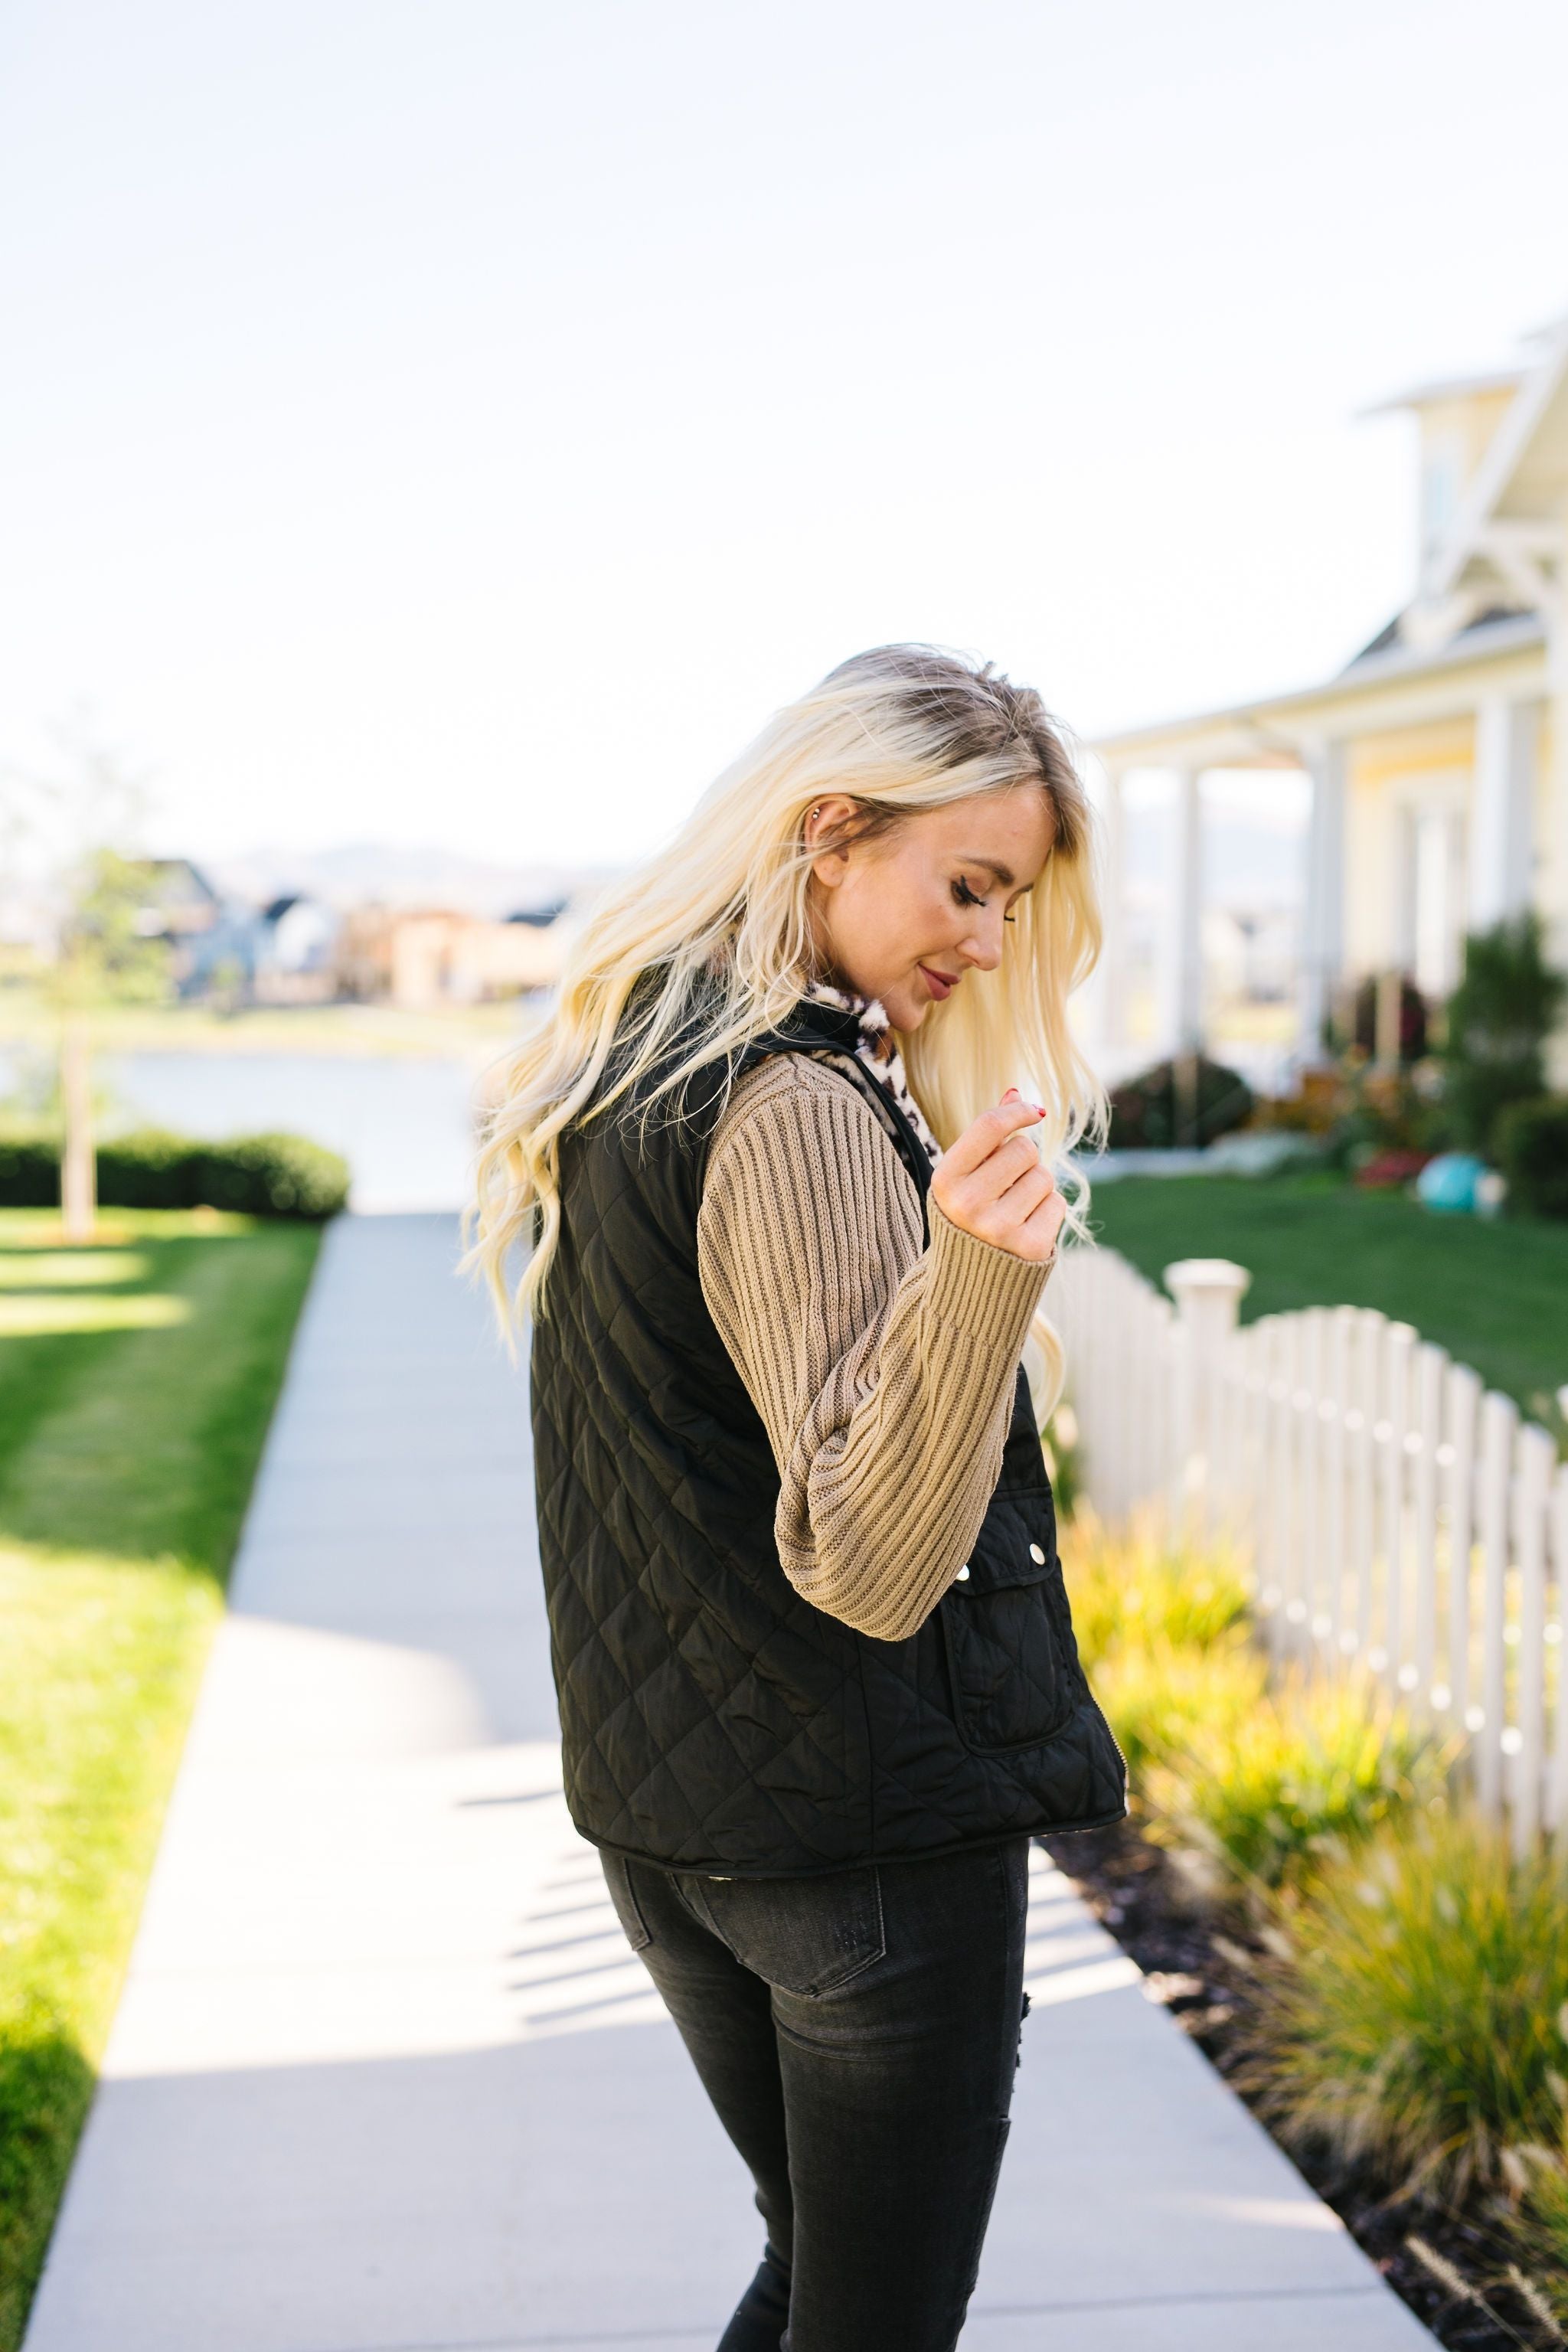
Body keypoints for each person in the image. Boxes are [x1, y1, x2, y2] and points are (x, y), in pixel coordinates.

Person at [469, 644, 1128, 2352]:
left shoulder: (633, 1059)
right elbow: (873, 1560)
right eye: (968, 885)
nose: (991, 943)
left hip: (681, 1825)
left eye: (1013, 903)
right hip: (858, 1844)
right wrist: (982, 1274)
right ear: (830, 830)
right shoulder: (794, 1099)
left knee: (812, 2282)